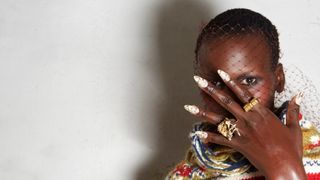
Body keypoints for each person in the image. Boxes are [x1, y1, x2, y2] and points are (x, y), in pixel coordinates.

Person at [166, 8, 320, 179]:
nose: (229, 99)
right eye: (216, 84)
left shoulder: (315, 154)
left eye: (249, 81)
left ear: (278, 79)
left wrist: (286, 170)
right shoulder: (187, 175)